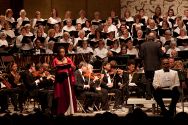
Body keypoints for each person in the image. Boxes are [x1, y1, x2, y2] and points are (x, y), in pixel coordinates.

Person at [52, 47, 77, 115]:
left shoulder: (68, 59)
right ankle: (61, 111)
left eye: (63, 52)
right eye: (61, 52)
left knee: (67, 93)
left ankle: (69, 111)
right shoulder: (55, 60)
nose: (62, 53)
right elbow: (53, 69)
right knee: (60, 94)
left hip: (67, 79)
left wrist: (72, 66)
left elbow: (74, 68)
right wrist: (57, 68)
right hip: (59, 79)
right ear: (58, 53)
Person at [140, 32, 164, 99]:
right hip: (156, 66)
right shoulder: (157, 45)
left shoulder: (143, 45)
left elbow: (141, 56)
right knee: (156, 81)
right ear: (154, 38)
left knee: (148, 80)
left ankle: (148, 95)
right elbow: (161, 54)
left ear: (147, 38)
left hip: (147, 66)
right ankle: (157, 96)